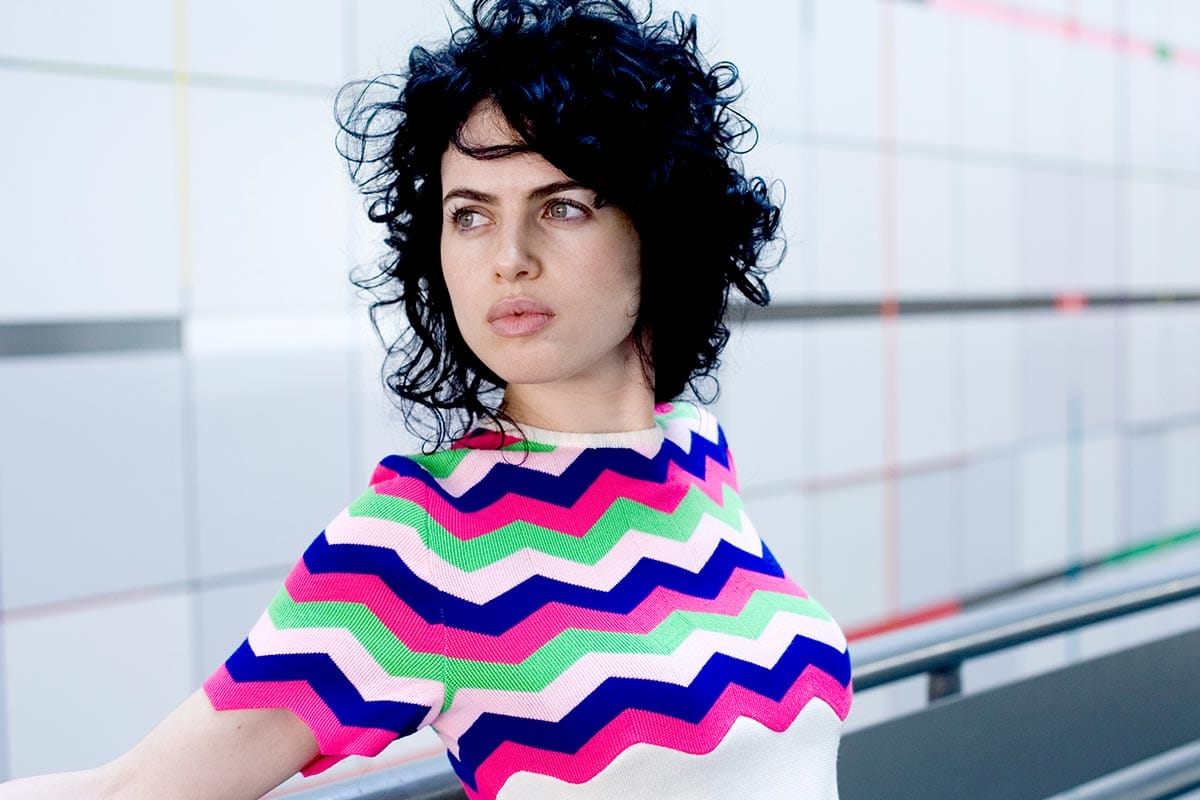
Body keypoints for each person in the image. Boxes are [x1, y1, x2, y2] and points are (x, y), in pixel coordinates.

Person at [0, 0, 852, 797]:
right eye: (471, 215)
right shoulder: (423, 534)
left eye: (563, 206)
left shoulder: (696, 451)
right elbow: (133, 791)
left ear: (659, 228)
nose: (508, 257)